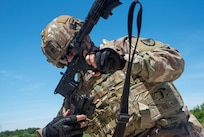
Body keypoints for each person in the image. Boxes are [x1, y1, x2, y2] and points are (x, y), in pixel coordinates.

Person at [36, 15, 204, 137]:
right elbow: (60, 123)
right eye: (64, 58)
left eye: (72, 50)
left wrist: (123, 62)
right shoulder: (76, 94)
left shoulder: (123, 47)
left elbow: (176, 63)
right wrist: (50, 132)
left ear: (86, 37)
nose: (71, 58)